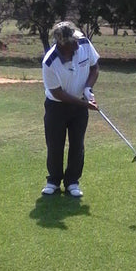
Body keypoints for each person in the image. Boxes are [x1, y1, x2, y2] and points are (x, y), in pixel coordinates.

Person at [41, 21, 100, 197]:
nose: (77, 43)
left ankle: (72, 181)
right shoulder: (50, 62)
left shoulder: (83, 43)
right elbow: (57, 93)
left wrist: (88, 88)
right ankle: (53, 180)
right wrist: (84, 104)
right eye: (72, 41)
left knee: (77, 143)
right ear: (62, 43)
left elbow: (94, 67)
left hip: (80, 104)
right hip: (56, 106)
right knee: (55, 144)